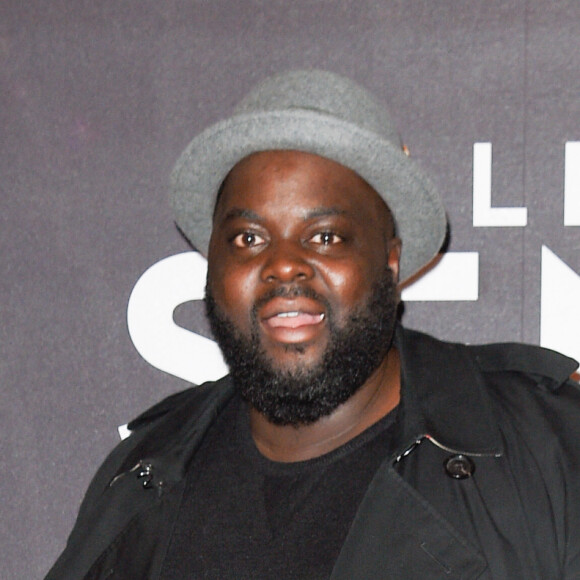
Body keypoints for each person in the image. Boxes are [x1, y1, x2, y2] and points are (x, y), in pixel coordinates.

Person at [46, 70, 580, 579]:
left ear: (389, 262)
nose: (283, 265)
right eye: (248, 239)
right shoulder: (139, 478)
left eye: (325, 236)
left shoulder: (550, 445)